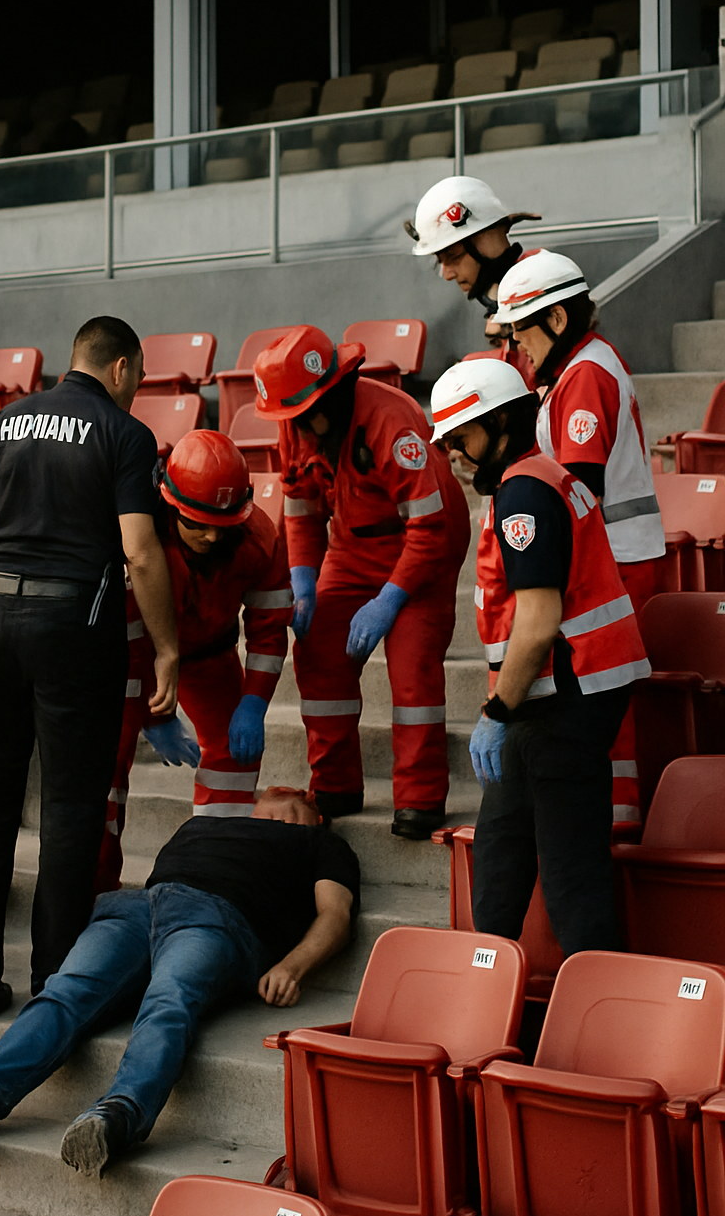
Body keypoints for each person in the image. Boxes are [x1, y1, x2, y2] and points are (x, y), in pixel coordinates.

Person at [0, 786, 359, 1177]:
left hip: (220, 919)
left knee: (169, 999)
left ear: (315, 812)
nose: (285, 788)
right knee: (65, 990)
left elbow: (335, 915)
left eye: (299, 791)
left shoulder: (321, 845)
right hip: (137, 907)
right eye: (273, 789)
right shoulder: (202, 824)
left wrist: (291, 967)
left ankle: (119, 1116)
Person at [0, 316, 179, 1020]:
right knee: (72, 810)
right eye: (136, 377)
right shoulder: (123, 434)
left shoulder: (8, 420)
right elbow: (139, 551)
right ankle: (53, 982)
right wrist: (167, 647)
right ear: (118, 368)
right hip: (73, 628)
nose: (136, 390)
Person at [429, 358, 651, 955]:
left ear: (501, 423)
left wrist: (496, 712)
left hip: (566, 697)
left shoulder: (525, 493)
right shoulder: (534, 480)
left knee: (571, 875)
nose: (454, 454)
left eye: (461, 438)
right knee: (501, 856)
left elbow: (538, 619)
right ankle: (484, 985)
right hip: (546, 698)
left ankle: (596, 1013)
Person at [252, 325, 470, 836]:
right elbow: (301, 508)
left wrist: (390, 599)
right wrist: (303, 582)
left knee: (413, 665)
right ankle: (336, 785)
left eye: (301, 419)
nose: (295, 429)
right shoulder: (295, 419)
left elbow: (429, 528)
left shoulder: (390, 423)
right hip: (351, 546)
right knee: (317, 646)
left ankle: (419, 799)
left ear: (330, 395)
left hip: (423, 543)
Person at [490, 248, 666, 830]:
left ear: (558, 321)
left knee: (603, 690)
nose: (517, 349)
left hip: (618, 561)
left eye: (522, 334)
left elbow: (571, 488)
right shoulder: (577, 368)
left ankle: (615, 826)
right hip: (614, 557)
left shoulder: (586, 373)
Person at [95, 430, 292, 892]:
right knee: (106, 770)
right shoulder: (138, 533)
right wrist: (148, 713)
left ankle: (214, 868)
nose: (210, 535)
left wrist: (255, 703)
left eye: (222, 524)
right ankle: (97, 890)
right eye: (197, 523)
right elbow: (129, 634)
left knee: (235, 756)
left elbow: (268, 629)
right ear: (171, 506)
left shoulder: (259, 539)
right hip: (132, 655)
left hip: (212, 650)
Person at [406, 175, 539, 382]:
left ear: (487, 239)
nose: (448, 275)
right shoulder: (509, 297)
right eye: (440, 262)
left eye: (453, 256)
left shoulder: (540, 290)